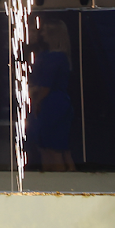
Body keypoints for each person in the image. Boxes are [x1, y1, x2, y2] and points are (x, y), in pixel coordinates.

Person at [28, 19, 75, 172]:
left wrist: (36, 100)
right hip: (57, 103)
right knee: (53, 147)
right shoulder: (58, 56)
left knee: (52, 148)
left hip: (51, 104)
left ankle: (57, 180)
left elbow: (46, 86)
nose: (41, 34)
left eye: (44, 31)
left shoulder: (53, 58)